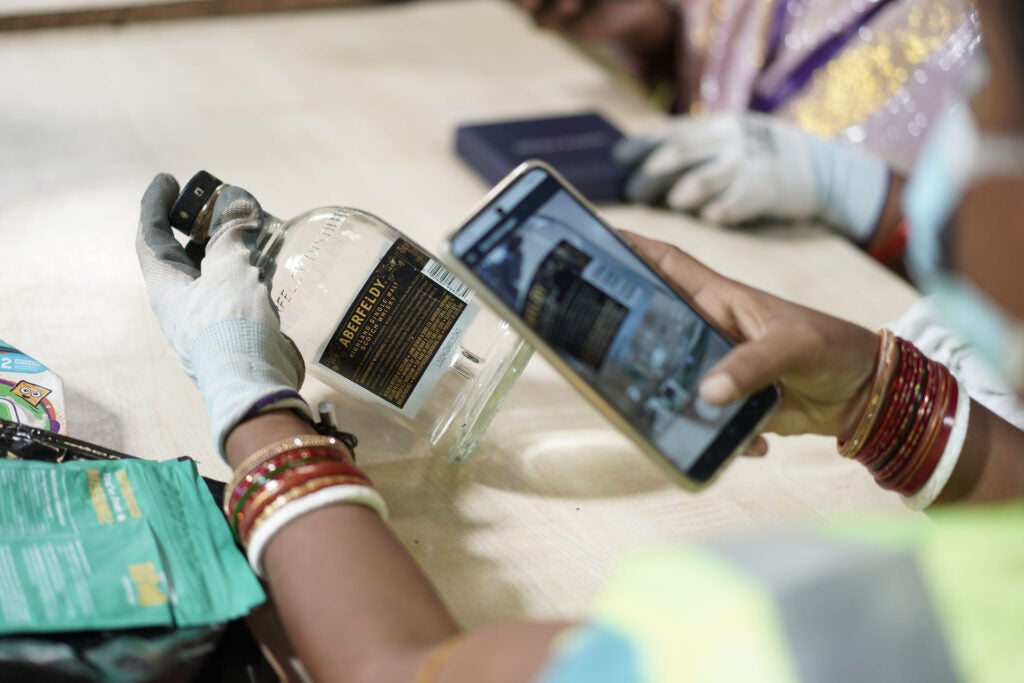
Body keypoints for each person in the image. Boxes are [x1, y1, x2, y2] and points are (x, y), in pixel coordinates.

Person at [135, 0, 1024, 678]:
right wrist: (881, 395)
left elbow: (399, 668)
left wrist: (256, 406)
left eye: (988, 94)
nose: (953, 131)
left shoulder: (812, 620)